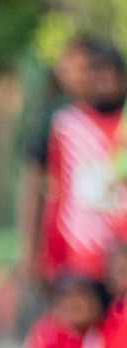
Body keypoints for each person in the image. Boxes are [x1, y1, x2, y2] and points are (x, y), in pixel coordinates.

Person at [32, 40, 127, 285]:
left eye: (111, 76)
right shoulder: (67, 126)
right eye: (97, 76)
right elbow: (56, 193)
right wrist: (47, 254)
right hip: (81, 250)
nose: (105, 84)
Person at [17, 36, 94, 288]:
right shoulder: (55, 116)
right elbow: (32, 180)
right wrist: (28, 244)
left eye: (82, 67)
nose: (73, 75)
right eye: (67, 67)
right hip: (65, 238)